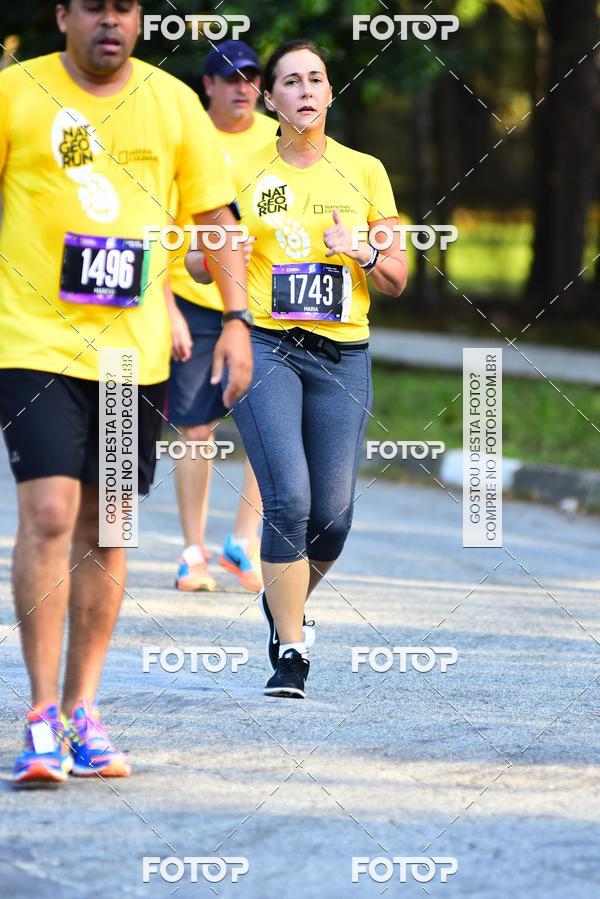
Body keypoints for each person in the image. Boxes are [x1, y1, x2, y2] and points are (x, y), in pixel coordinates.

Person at [0, 0, 251, 783]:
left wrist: (238, 319)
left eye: (125, 7)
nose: (111, 21)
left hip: (129, 357)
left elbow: (213, 219)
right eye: (94, 6)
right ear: (62, 14)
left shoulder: (174, 102)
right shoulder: (16, 94)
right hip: (31, 339)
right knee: (48, 512)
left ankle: (82, 711)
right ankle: (39, 715)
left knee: (107, 534)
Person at [187, 40, 408, 699]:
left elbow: (397, 276)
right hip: (268, 347)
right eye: (290, 81)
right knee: (289, 495)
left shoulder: (366, 170)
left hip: (343, 355)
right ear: (271, 98)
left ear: (331, 92)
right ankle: (290, 647)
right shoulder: (241, 170)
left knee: (333, 518)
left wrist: (361, 248)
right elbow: (201, 263)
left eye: (316, 78)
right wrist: (228, 245)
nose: (305, 89)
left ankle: (284, 600)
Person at [166, 40, 277, 594]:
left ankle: (242, 543)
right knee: (196, 428)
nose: (242, 87)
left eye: (251, 77)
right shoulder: (187, 134)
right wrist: (165, 303)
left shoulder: (277, 139)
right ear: (207, 85)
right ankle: (192, 552)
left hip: (262, 304)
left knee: (267, 424)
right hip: (196, 298)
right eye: (230, 77)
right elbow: (159, 223)